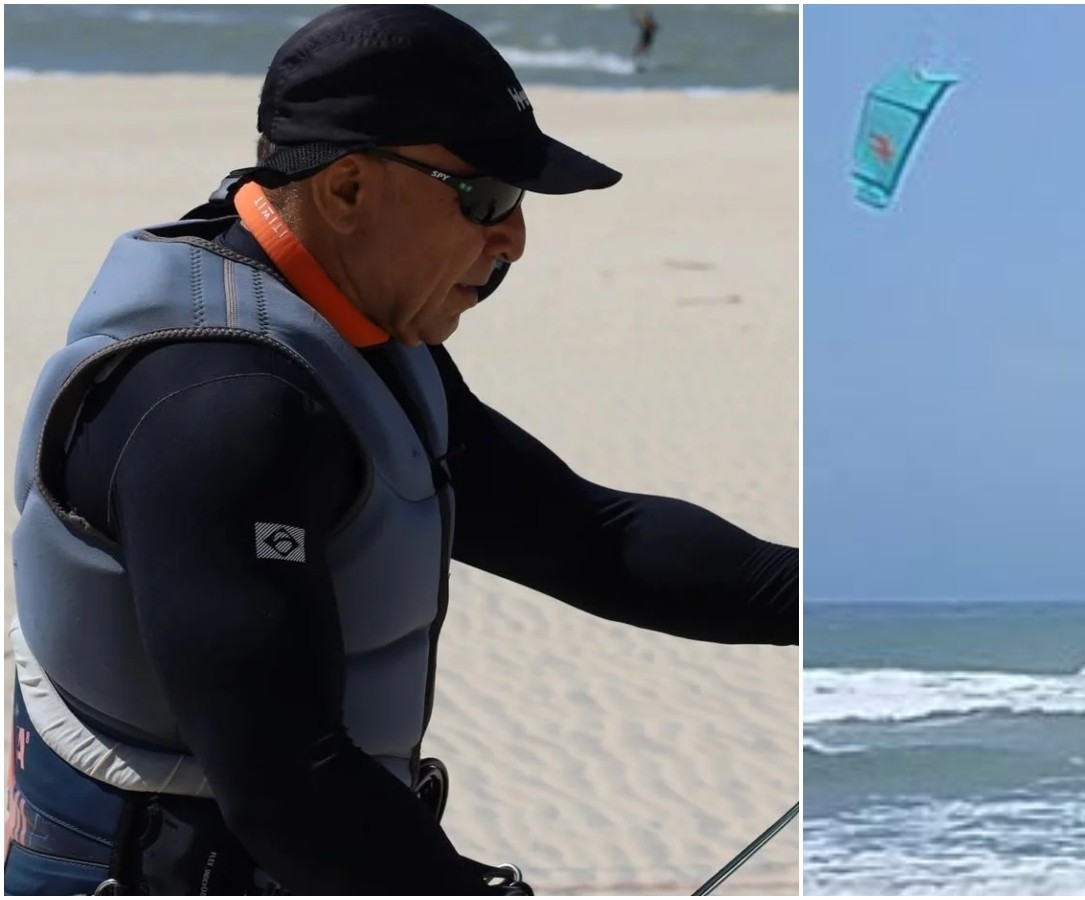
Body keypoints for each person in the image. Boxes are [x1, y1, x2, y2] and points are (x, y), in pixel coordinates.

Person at [5, 5, 795, 895]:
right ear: (347, 189)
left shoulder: (353, 336)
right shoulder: (220, 408)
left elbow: (595, 540)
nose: (515, 239)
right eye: (486, 198)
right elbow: (285, 785)